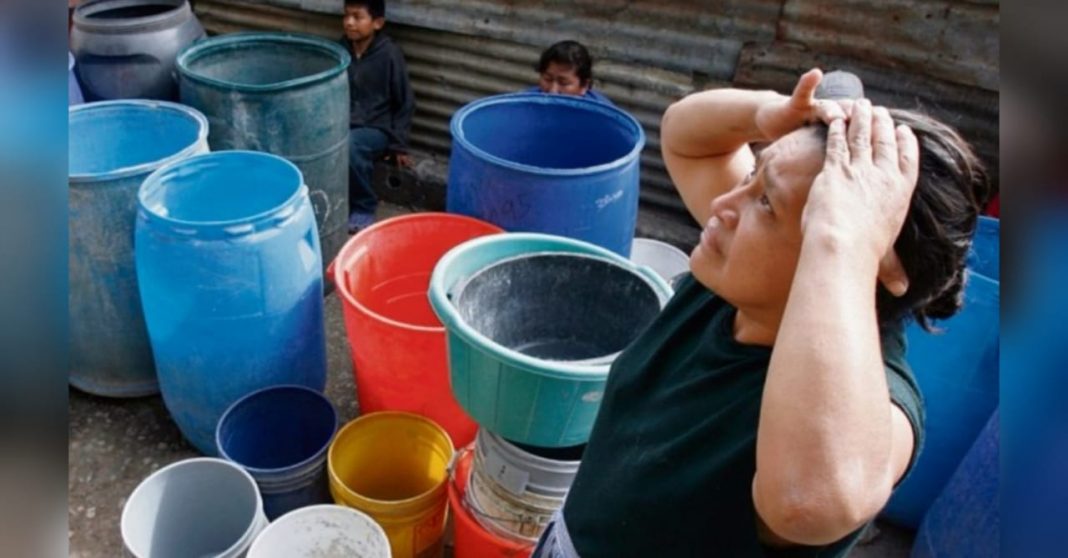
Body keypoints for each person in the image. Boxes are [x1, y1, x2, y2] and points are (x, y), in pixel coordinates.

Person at [532, 69, 990, 557]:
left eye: (767, 203)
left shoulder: (877, 408)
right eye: (754, 175)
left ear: (860, 255)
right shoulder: (738, 280)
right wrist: (768, 113)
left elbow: (807, 502)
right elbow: (687, 137)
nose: (725, 206)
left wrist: (839, 236)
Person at [340, 0, 414, 233]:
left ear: (377, 23)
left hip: (377, 129)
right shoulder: (341, 50)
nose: (349, 23)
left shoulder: (390, 54)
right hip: (344, 123)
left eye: (357, 17)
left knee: (351, 145)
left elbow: (405, 100)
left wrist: (399, 144)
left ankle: (364, 206)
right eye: (346, 16)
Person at [527, 40, 613, 104]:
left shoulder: (601, 116)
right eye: (548, 79)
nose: (553, 91)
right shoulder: (527, 102)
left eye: (563, 83)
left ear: (584, 86)